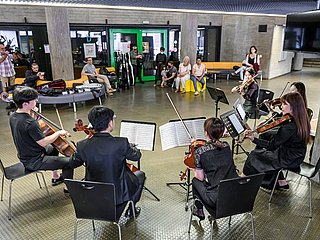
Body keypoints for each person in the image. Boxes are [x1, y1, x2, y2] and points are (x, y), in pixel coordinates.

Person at [70, 106, 146, 219]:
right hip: (117, 195)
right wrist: (131, 147)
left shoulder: (82, 145)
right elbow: (136, 156)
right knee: (140, 175)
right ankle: (131, 210)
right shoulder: (121, 143)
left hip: (92, 195)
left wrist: (84, 145)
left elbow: (73, 163)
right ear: (110, 123)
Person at [9, 86, 75, 192]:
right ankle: (69, 188)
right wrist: (58, 133)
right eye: (34, 100)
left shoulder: (13, 116)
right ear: (25, 104)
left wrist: (31, 113)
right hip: (35, 160)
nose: (36, 101)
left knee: (54, 147)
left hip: (25, 155)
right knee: (69, 162)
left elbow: (27, 130)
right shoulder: (30, 123)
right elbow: (43, 143)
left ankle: (56, 177)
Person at [241, 92, 310, 189]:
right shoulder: (301, 120)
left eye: (284, 104)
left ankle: (242, 179)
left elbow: (272, 145)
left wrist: (253, 139)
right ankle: (281, 181)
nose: (281, 106)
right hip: (297, 155)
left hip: (289, 159)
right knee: (264, 150)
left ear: (293, 107)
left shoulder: (289, 127)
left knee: (254, 155)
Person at [190, 117, 238, 220]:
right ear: (221, 134)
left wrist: (194, 169)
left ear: (206, 133)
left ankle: (199, 210)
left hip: (218, 199)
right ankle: (199, 210)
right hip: (236, 194)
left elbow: (200, 178)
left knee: (195, 181)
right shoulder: (226, 145)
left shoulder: (200, 152)